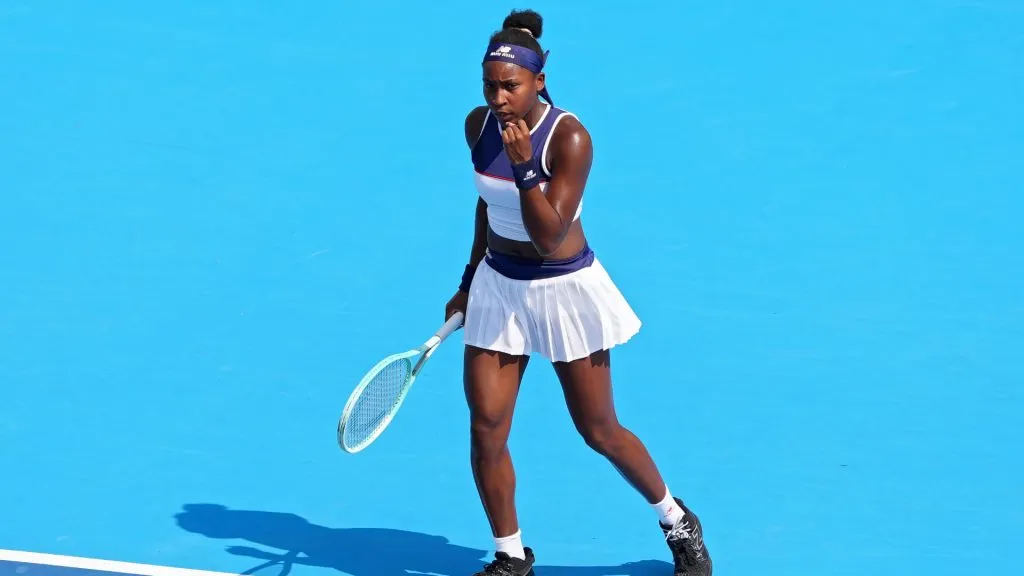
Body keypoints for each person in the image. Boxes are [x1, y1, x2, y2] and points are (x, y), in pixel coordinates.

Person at [444, 9, 712, 576]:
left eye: (510, 86)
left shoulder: (568, 137)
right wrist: (468, 280)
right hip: (498, 286)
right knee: (485, 428)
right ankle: (511, 557)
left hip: (562, 289)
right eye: (489, 85)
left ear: (539, 81)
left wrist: (523, 165)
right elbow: (487, 205)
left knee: (598, 429)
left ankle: (676, 519)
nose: (498, 97)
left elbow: (547, 236)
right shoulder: (478, 125)